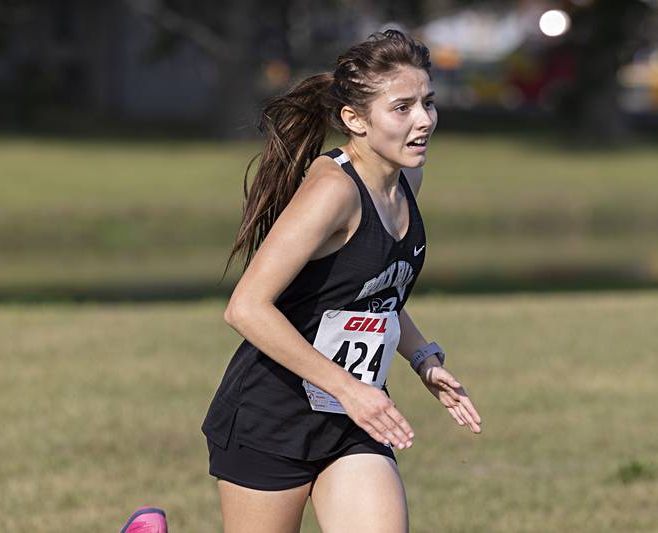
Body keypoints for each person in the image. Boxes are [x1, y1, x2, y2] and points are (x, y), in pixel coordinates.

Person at [201, 29, 482, 533]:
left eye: (428, 103)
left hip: (354, 421)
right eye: (403, 108)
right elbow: (245, 308)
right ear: (355, 120)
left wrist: (424, 361)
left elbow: (377, 293)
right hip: (272, 418)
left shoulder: (405, 179)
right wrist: (350, 388)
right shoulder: (333, 191)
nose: (423, 121)